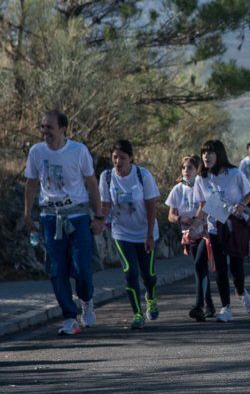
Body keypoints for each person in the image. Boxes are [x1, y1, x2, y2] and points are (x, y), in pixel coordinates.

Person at [23, 110, 104, 335]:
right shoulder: (36, 152)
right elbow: (30, 184)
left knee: (82, 269)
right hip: (50, 217)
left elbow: (92, 184)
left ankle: (86, 300)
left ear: (62, 128)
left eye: (49, 127)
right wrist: (27, 214)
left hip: (77, 217)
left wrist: (98, 216)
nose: (45, 132)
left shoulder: (78, 151)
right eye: (42, 127)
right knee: (56, 271)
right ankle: (69, 317)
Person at [99, 139, 161, 330]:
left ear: (131, 158)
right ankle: (137, 314)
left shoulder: (143, 175)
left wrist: (149, 235)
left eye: (123, 158)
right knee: (130, 273)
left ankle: (151, 297)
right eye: (115, 157)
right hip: (122, 232)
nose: (118, 161)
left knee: (148, 274)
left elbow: (151, 206)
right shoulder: (107, 177)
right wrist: (99, 220)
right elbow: (105, 205)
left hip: (145, 232)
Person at [195, 139, 250, 323]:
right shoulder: (201, 178)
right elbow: (203, 205)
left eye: (210, 152)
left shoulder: (234, 173)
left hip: (234, 226)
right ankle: (226, 308)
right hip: (215, 228)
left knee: (236, 267)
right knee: (220, 269)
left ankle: (240, 290)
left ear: (219, 155)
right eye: (204, 153)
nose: (206, 156)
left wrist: (241, 205)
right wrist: (196, 224)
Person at [166, 154, 216, 322]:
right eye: (184, 168)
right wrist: (181, 219)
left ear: (197, 170)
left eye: (190, 168)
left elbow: (211, 205)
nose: (186, 171)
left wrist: (198, 220)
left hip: (204, 232)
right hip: (188, 235)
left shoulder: (203, 185)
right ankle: (209, 305)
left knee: (198, 266)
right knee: (201, 269)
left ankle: (198, 306)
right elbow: (171, 215)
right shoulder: (178, 189)